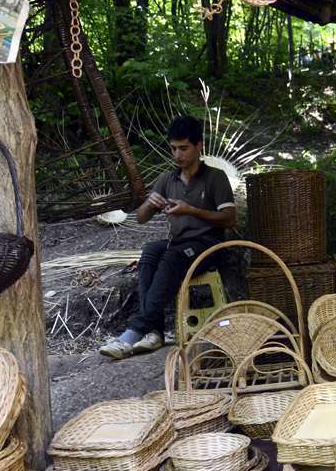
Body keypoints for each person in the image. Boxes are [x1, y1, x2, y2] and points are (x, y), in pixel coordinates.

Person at [99, 115, 236, 359]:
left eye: (184, 148)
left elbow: (229, 219)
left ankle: (133, 333)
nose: (177, 155)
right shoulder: (167, 178)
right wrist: (150, 204)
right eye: (173, 148)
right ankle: (154, 332)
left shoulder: (215, 177)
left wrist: (191, 210)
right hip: (179, 244)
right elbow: (141, 218)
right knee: (151, 251)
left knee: (172, 257)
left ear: (198, 146)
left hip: (209, 245)